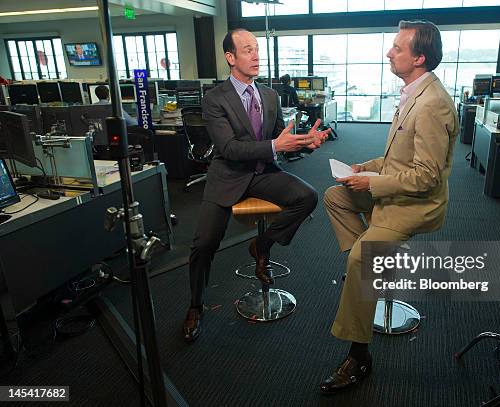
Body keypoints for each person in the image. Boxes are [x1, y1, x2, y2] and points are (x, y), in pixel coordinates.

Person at [320, 20, 459, 393]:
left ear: (419, 57)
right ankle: (368, 272)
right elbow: (398, 159)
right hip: (394, 191)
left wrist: (372, 183)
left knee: (360, 260)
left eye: (397, 48)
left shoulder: (432, 104)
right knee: (335, 196)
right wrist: (364, 169)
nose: (389, 52)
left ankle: (359, 355)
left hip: (416, 205)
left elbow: (426, 178)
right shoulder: (413, 92)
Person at [184, 28, 331, 342]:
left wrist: (306, 143)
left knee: (307, 197)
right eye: (247, 50)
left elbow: (280, 138)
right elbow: (229, 149)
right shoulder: (215, 98)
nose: (255, 55)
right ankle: (196, 305)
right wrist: (277, 146)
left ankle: (261, 246)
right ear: (230, 57)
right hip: (228, 177)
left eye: (257, 49)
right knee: (204, 244)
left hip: (263, 173)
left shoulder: (269, 95)